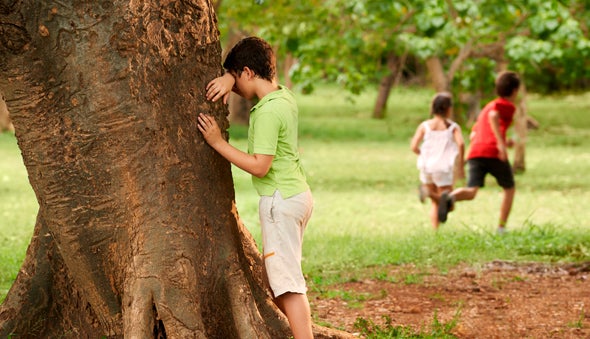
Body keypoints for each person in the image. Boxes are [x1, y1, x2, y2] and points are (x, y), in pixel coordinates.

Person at [197, 36, 314, 339]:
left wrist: (217, 143)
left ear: (247, 72)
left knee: (287, 284)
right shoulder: (283, 97)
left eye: (235, 81)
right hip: (297, 195)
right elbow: (246, 75)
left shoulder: (265, 112)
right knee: (276, 278)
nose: (234, 90)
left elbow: (260, 165)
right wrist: (228, 75)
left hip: (280, 201)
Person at [438, 71, 521, 235]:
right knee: (509, 189)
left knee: (471, 191)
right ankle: (501, 228)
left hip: (476, 152)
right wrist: (500, 145)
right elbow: (494, 116)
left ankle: (450, 197)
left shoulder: (487, 106)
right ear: (514, 91)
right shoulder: (506, 106)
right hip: (493, 152)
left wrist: (503, 141)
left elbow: (474, 133)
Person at [410, 92, 465, 229]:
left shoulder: (425, 126)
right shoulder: (452, 127)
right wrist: (461, 163)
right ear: (448, 108)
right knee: (449, 204)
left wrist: (422, 155)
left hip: (426, 166)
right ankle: (428, 194)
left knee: (437, 203)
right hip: (443, 168)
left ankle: (436, 231)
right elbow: (462, 144)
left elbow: (413, 146)